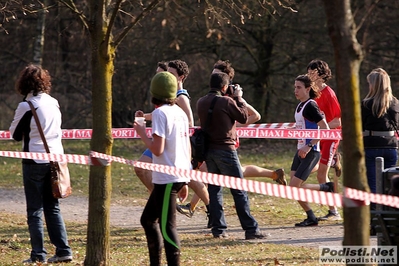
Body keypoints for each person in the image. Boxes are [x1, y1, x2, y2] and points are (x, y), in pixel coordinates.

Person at [177, 60, 286, 219]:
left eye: (216, 74)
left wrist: (232, 126)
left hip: (225, 142)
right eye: (213, 74)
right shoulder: (210, 97)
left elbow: (255, 115)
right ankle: (273, 174)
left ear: (226, 79)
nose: (213, 77)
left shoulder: (232, 96)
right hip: (213, 143)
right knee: (232, 172)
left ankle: (196, 208)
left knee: (211, 175)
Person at [9, 64, 73, 264]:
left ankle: (38, 254)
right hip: (55, 160)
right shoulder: (54, 102)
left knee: (34, 210)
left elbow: (14, 135)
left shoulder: (26, 106)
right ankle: (63, 250)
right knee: (52, 206)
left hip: (34, 160)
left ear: (24, 83)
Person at [196, 71, 266, 239]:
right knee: (239, 190)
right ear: (225, 87)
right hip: (226, 150)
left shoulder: (201, 102)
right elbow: (243, 117)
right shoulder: (226, 101)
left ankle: (218, 230)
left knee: (214, 190)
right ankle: (251, 230)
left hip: (209, 152)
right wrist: (239, 98)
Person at [134, 71, 191, 266]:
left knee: (167, 227)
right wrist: (185, 179)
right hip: (177, 175)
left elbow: (157, 149)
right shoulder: (180, 112)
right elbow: (186, 147)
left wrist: (141, 132)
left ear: (154, 93)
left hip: (168, 177)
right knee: (148, 220)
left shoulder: (160, 113)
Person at [290, 74, 335, 227]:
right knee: (292, 188)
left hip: (311, 152)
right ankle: (311, 215)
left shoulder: (311, 105)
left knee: (293, 187)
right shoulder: (300, 105)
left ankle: (325, 190)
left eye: (299, 87)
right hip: (300, 151)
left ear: (308, 89)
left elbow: (325, 129)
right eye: (295, 87)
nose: (295, 90)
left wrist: (308, 146)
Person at [307, 59, 342, 221]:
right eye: (308, 72)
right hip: (317, 137)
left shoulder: (329, 93)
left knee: (322, 175)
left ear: (321, 75)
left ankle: (334, 212)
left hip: (330, 136)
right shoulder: (312, 93)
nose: (309, 76)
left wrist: (322, 127)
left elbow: (338, 121)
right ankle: (334, 161)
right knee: (310, 168)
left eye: (312, 73)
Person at [361, 68, 399, 196]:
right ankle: (387, 211)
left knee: (372, 183)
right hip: (391, 146)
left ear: (373, 85)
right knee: (388, 184)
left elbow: (360, 127)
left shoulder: (366, 104)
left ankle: (374, 213)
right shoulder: (395, 103)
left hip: (371, 146)